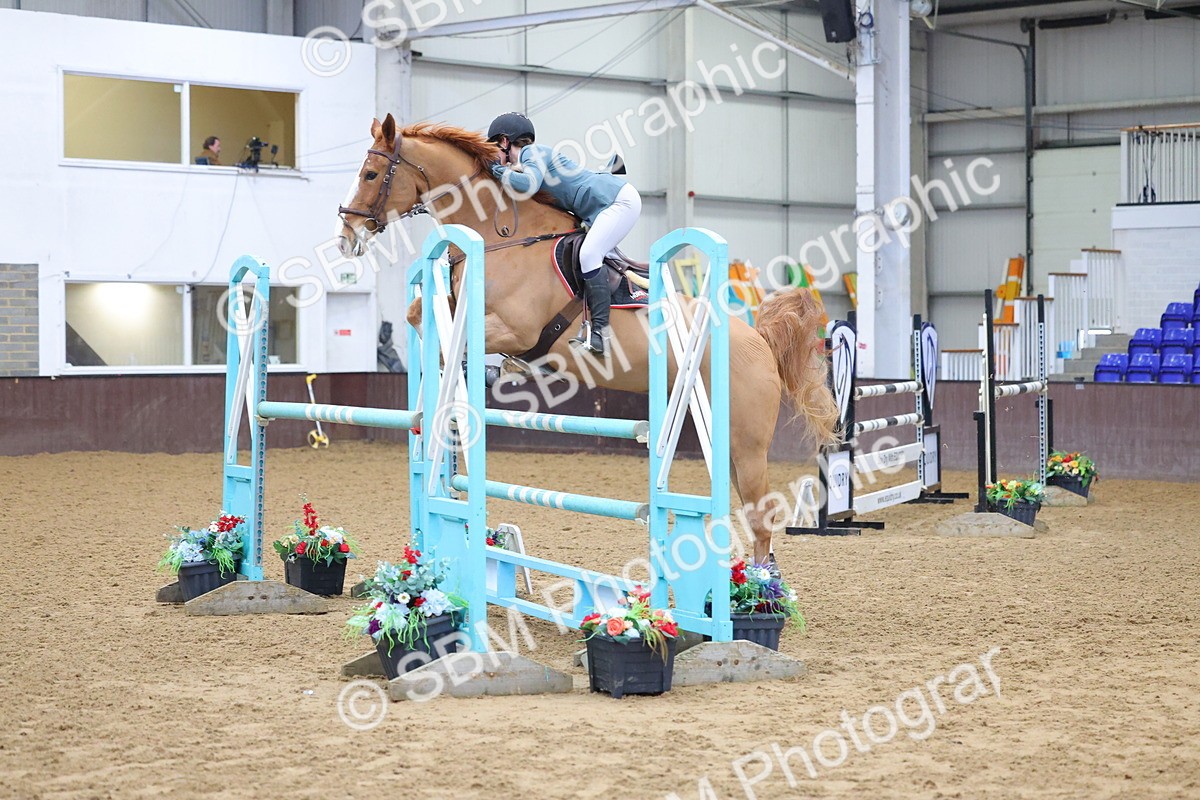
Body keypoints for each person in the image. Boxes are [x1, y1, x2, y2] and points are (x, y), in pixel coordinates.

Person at [487, 112, 640, 357]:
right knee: (589, 257)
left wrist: (496, 171)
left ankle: (602, 334)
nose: (493, 155)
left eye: (493, 147)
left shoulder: (531, 154)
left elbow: (528, 185)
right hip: (602, 208)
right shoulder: (525, 163)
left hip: (618, 201)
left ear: (504, 141)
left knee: (590, 255)